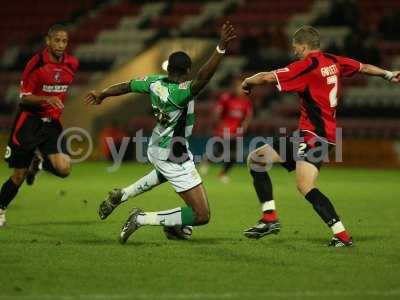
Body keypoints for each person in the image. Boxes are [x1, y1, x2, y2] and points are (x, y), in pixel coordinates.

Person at [241, 25, 399, 247]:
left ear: (304, 46)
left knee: (304, 185)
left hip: (316, 136)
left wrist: (247, 82)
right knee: (257, 159)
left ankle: (341, 235)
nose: (294, 51)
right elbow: (363, 67)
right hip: (310, 134)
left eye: (296, 48)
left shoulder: (307, 66)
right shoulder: (334, 60)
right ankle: (269, 218)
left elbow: (268, 77)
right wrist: (387, 74)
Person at [84, 22, 236, 244]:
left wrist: (103, 93)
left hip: (157, 146)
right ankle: (142, 219)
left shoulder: (154, 83)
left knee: (165, 173)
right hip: (173, 154)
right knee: (201, 215)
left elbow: (126, 85)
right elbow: (203, 78)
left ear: (167, 69)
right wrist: (220, 47)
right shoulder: (180, 93)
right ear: (187, 71)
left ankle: (122, 195)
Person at [0, 24, 79, 227]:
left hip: (51, 124)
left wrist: (52, 102)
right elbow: (24, 98)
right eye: (57, 40)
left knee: (64, 169)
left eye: (64, 41)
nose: (61, 45)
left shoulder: (72, 63)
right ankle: (1, 209)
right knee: (18, 175)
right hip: (29, 123)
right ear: (48, 41)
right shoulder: (36, 64)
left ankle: (39, 163)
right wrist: (47, 99)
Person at [200, 78, 253, 183]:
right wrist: (218, 123)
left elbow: (248, 117)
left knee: (234, 155)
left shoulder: (246, 102)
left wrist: (244, 127)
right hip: (223, 131)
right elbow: (217, 111)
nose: (240, 90)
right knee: (219, 152)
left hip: (236, 133)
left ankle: (222, 174)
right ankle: (207, 161)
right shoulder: (226, 98)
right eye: (238, 87)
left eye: (242, 88)